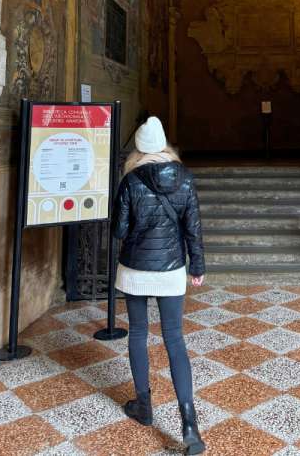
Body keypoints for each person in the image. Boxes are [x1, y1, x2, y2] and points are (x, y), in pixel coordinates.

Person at [113, 116, 206, 455]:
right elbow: (193, 227)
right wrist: (197, 266)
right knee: (175, 339)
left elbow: (119, 231)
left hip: (135, 268)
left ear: (138, 148)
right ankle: (189, 423)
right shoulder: (185, 179)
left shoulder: (131, 180)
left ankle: (144, 406)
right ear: (165, 145)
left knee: (138, 334)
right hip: (171, 269)